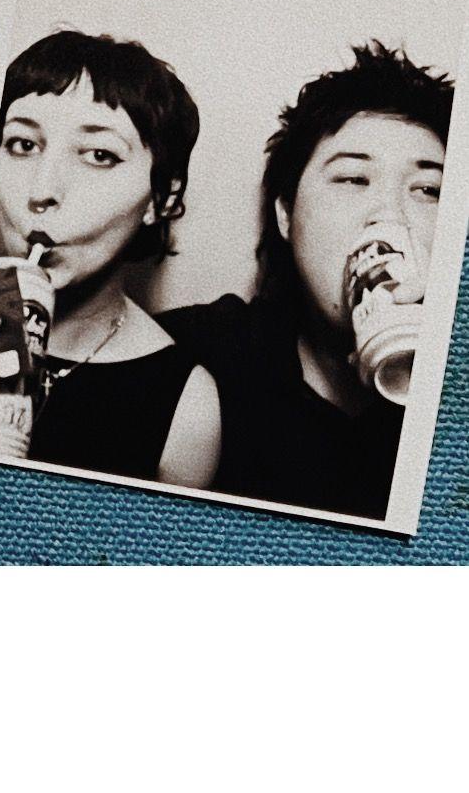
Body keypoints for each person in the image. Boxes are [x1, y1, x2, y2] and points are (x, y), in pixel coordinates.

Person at [161, 43, 452, 519]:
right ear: (286, 214)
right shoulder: (188, 358)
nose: (389, 215)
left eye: (428, 190)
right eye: (353, 179)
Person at [0, 31, 221, 487]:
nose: (42, 191)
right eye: (23, 144)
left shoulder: (185, 405)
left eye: (99, 155)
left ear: (162, 198)